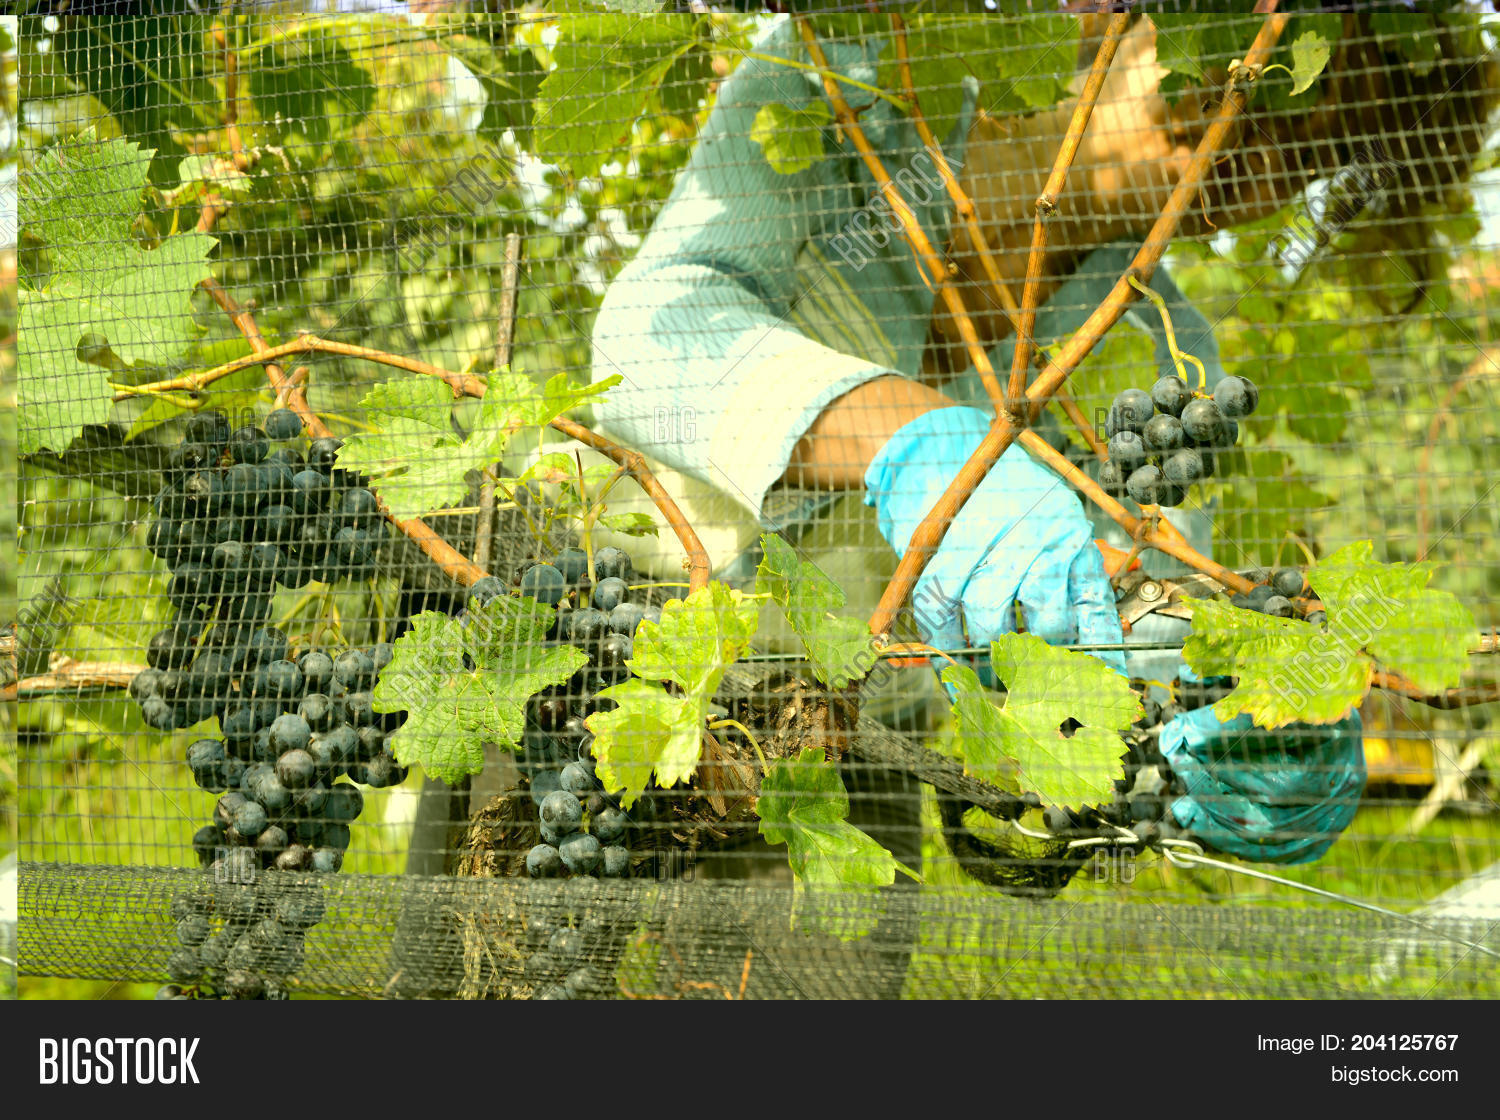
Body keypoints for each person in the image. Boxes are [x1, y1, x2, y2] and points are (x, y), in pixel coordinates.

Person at [587, 12, 1483, 888]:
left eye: (1301, 162)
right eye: (1246, 89)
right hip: (596, 639)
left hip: (829, 758)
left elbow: (1125, 620)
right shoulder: (860, 71)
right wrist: (912, 439)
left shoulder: (1167, 365)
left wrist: (1241, 706)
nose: (1252, 162)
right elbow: (645, 336)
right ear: (1114, 21)